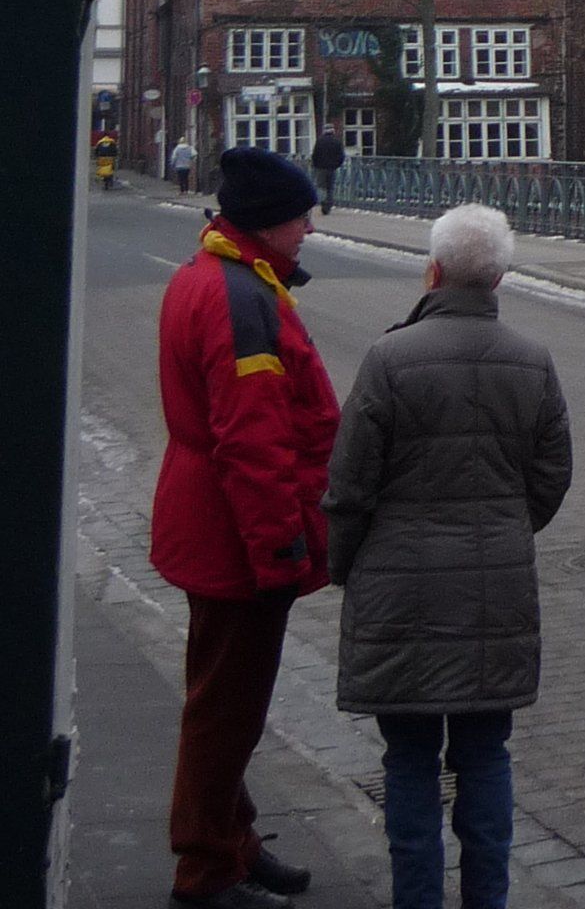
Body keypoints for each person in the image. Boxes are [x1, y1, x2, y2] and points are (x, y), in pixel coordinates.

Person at [324, 204, 572, 909]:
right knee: (486, 756)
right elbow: (552, 472)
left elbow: (349, 485)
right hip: (494, 591)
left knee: (408, 761)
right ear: (499, 278)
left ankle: (417, 899)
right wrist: (506, 528)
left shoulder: (389, 358)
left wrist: (346, 567)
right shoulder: (533, 360)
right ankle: (486, 899)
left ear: (431, 271)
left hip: (398, 593)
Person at [151, 147, 339, 908]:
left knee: (219, 701)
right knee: (225, 714)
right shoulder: (241, 299)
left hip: (208, 523)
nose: (310, 231)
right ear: (268, 222)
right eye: (303, 216)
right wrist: (281, 550)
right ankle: (205, 869)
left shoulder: (224, 277)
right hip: (237, 538)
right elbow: (252, 441)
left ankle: (233, 839)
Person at [307, 123, 345, 215]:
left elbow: (315, 155)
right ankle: (329, 204)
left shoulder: (320, 141)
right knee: (330, 187)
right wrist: (337, 164)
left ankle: (323, 203)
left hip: (321, 168)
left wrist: (315, 165)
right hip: (332, 168)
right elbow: (341, 156)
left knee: (321, 187)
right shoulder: (337, 141)